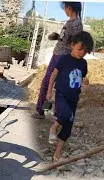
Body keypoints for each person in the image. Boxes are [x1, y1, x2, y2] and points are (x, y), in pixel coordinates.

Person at [47, 31, 93, 162]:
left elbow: (83, 77)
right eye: (80, 49)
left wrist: (85, 82)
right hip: (61, 94)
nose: (82, 53)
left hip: (74, 98)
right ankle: (53, 128)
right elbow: (53, 75)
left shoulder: (83, 63)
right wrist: (49, 91)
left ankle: (57, 155)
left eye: (85, 51)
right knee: (65, 114)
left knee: (68, 126)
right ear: (73, 45)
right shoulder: (64, 59)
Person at [33, 2, 83, 119]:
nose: (64, 10)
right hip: (57, 55)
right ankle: (41, 110)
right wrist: (58, 37)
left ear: (69, 8)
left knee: (56, 85)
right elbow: (67, 39)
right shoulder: (70, 22)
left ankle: (56, 113)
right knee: (47, 82)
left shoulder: (76, 24)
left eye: (65, 7)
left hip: (63, 58)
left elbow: (75, 44)